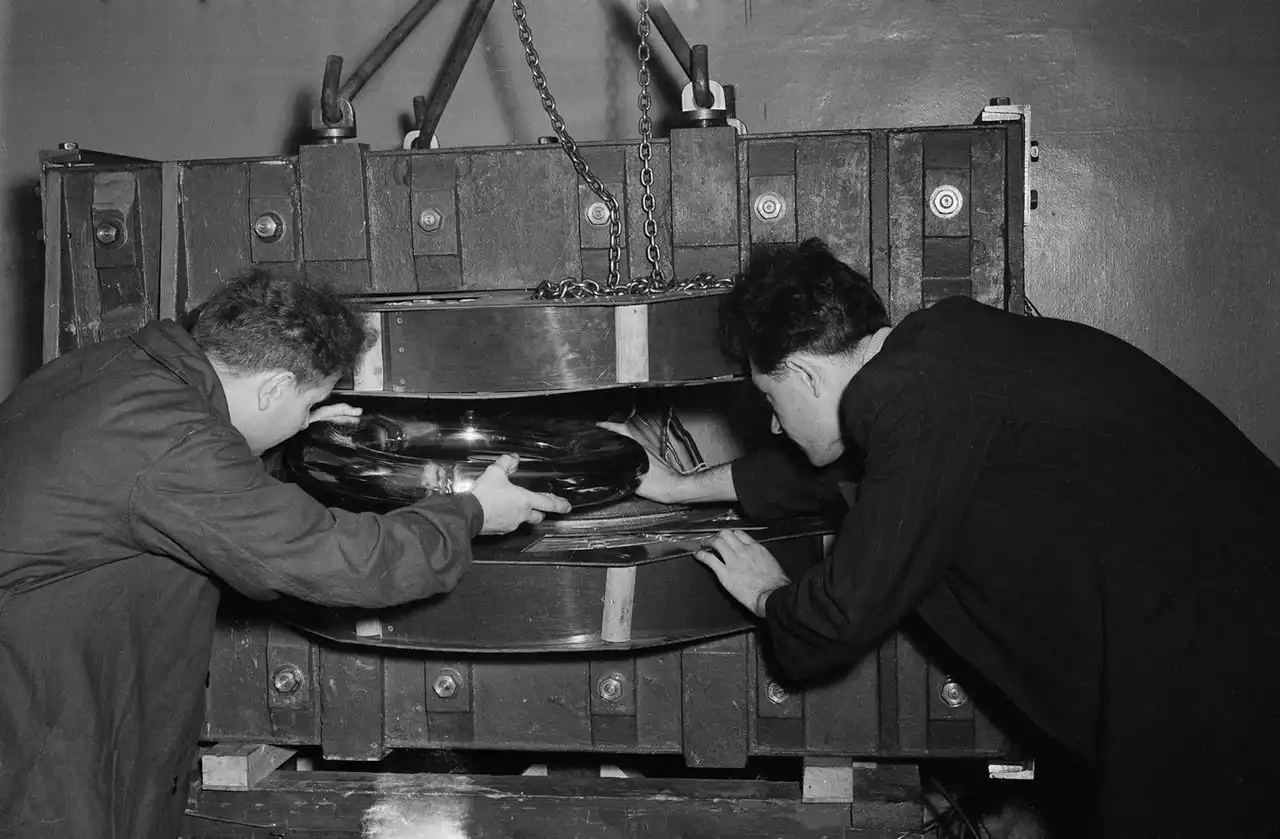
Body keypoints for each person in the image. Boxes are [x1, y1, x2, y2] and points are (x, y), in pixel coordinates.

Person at [606, 238, 1280, 838]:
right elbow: (837, 472)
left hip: (1220, 665)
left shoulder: (912, 396)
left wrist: (768, 595)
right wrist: (677, 487)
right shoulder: (940, 357)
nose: (775, 426)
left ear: (806, 374)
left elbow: (840, 618)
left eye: (771, 401)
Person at [0, 270, 571, 839]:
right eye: (309, 402)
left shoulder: (117, 370)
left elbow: (175, 487)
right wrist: (471, 513)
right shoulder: (174, 443)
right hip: (42, 741)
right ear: (272, 388)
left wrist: (284, 433)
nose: (307, 418)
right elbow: (341, 560)